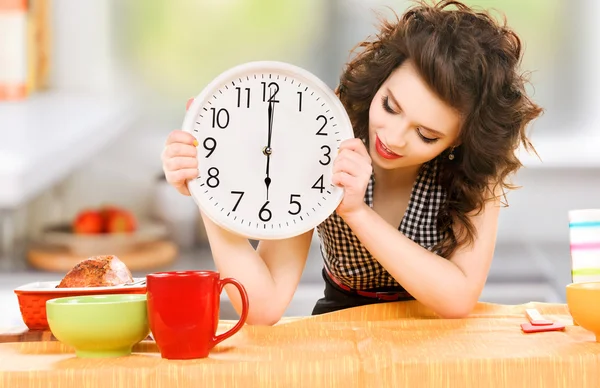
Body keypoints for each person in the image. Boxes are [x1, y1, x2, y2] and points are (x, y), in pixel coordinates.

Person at [161, 0, 543, 325]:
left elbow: (458, 299)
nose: (392, 138)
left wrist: (357, 213)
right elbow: (263, 305)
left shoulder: (479, 171)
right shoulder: (326, 132)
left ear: (461, 140)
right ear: (381, 80)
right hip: (341, 326)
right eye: (390, 106)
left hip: (436, 336)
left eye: (426, 135)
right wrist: (206, 194)